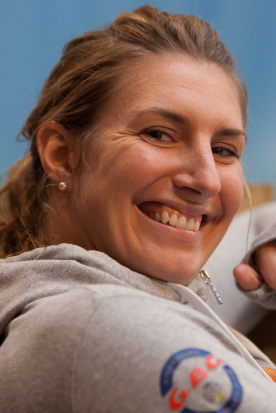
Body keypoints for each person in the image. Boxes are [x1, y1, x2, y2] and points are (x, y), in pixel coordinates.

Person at [0, 5, 275, 412]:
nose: (207, 180)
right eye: (160, 134)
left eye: (222, 150)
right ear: (62, 154)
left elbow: (257, 222)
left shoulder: (121, 280)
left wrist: (265, 244)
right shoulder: (101, 322)